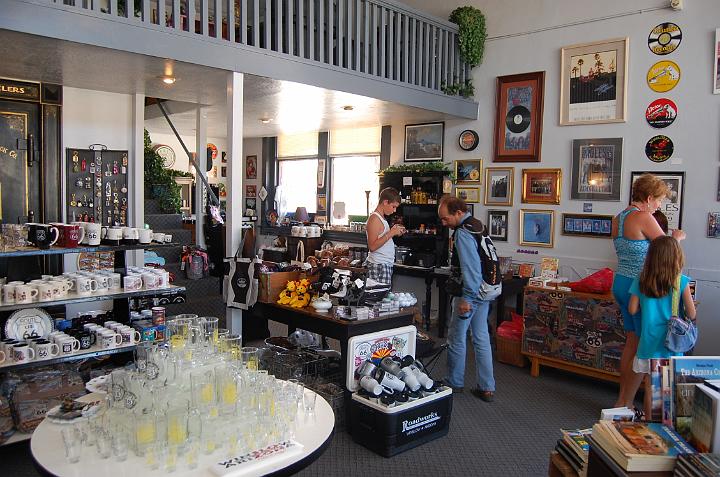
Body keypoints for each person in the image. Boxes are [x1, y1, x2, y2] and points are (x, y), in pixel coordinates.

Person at [612, 174, 685, 409]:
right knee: (646, 346)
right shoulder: (643, 217)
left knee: (632, 342)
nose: (659, 206)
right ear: (649, 197)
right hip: (640, 287)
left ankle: (623, 401)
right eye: (659, 200)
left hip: (621, 282)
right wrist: (677, 238)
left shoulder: (619, 218)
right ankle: (629, 403)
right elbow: (667, 251)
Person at [626, 236, 696, 413]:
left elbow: (632, 309)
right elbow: (692, 313)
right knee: (668, 388)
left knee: (651, 387)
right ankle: (665, 421)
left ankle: (650, 421)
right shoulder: (681, 281)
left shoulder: (641, 279)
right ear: (677, 256)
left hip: (649, 342)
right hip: (671, 344)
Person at [438, 195, 495, 402]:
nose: (444, 223)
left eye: (446, 218)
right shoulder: (478, 225)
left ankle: (454, 381)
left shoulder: (463, 233)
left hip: (470, 293)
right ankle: (487, 387)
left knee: (456, 337)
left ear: (459, 213)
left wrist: (467, 299)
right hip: (486, 291)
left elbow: (471, 270)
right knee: (481, 338)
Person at [365, 187, 405, 284]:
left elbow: (382, 237)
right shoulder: (374, 218)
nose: (394, 210)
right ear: (385, 202)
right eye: (393, 206)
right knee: (378, 293)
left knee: (383, 293)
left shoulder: (381, 218)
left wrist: (394, 231)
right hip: (378, 266)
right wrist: (391, 233)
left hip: (383, 265)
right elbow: (372, 246)